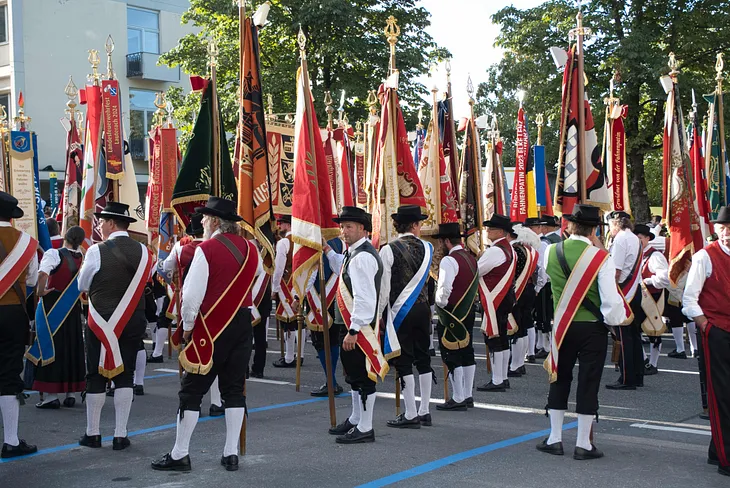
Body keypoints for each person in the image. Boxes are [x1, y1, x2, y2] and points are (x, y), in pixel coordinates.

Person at [152, 197, 261, 472]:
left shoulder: (207, 249)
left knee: (191, 392)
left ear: (214, 221)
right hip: (241, 324)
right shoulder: (252, 249)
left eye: (204, 217)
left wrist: (187, 328)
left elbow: (191, 297)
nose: (201, 221)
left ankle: (180, 454)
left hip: (211, 329)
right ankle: (231, 453)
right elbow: (258, 278)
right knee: (234, 390)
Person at [537, 204, 632, 460]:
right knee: (588, 382)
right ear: (593, 231)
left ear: (568, 226)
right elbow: (611, 302)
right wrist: (617, 321)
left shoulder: (550, 252)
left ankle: (554, 438)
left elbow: (549, 280)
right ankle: (583, 444)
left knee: (559, 378)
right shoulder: (601, 257)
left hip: (562, 325)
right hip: (591, 328)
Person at [77, 202, 153, 451]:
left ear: (111, 223)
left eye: (101, 221)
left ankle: (93, 433)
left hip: (101, 320)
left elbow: (82, 284)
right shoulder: (144, 252)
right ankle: (120, 435)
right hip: (132, 319)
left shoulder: (96, 251)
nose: (99, 225)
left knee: (95, 374)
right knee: (125, 374)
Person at [325, 206, 386, 444]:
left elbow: (364, 298)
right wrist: (328, 252)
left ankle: (365, 426)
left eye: (348, 227)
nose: (343, 231)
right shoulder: (354, 254)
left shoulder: (362, 258)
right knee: (352, 375)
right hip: (352, 325)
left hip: (359, 328)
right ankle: (355, 418)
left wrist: (353, 330)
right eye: (342, 226)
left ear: (362, 228)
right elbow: (342, 265)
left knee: (362, 378)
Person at [682, 206, 730, 477]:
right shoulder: (705, 256)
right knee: (722, 395)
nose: (727, 234)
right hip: (718, 331)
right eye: (723, 228)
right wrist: (705, 325)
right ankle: (726, 457)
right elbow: (690, 298)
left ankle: (717, 448)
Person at [162, 212, 224, 416]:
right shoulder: (215, 247)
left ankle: (192, 400)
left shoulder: (182, 247)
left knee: (193, 354)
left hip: (190, 304)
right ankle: (216, 402)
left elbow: (166, 267)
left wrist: (174, 275)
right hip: (212, 308)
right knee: (212, 356)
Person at [378, 205, 434, 428]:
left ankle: (410, 413)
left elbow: (383, 288)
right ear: (414, 225)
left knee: (404, 361)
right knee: (423, 358)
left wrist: (380, 315)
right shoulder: (428, 248)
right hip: (423, 310)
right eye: (419, 224)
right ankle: (425, 410)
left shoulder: (388, 249)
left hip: (401, 311)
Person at [28, 226, 86, 409]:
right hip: (73, 309)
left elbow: (42, 273)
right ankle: (70, 393)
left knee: (50, 345)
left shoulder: (54, 254)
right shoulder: (82, 258)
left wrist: (40, 291)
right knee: (71, 346)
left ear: (65, 237)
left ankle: (51, 395)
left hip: (52, 305)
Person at [0, 192, 39, 458]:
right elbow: (34, 281)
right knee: (8, 374)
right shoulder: (26, 243)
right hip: (13, 313)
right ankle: (11, 440)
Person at [433, 223, 478, 411]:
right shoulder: (471, 257)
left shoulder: (449, 261)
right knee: (466, 351)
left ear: (446, 241)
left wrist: (439, 305)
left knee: (451, 354)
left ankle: (458, 397)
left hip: (452, 313)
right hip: (467, 312)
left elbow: (445, 288)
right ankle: (467, 395)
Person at [476, 214, 516, 393]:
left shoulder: (495, 251)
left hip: (495, 299)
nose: (487, 231)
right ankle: (503, 377)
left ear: (500, 231)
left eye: (491, 229)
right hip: (504, 297)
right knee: (501, 337)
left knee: (494, 339)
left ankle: (498, 378)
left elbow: (476, 270)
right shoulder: (509, 249)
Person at [606, 210, 643, 390]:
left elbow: (617, 271)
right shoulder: (634, 238)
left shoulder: (620, 239)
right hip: (635, 291)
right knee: (634, 335)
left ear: (615, 224)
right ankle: (638, 374)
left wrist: (609, 293)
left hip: (624, 292)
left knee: (623, 336)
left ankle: (627, 378)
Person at [304, 237, 345, 397]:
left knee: (321, 341)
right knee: (333, 339)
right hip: (335, 295)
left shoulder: (311, 238)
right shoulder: (341, 241)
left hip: (319, 295)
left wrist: (298, 296)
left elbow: (310, 271)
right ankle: (331, 380)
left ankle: (331, 381)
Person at [633, 224, 669, 375]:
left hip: (652, 296)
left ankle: (653, 364)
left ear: (647, 238)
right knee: (635, 329)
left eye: (640, 238)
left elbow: (665, 278)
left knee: (653, 329)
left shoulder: (655, 256)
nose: (638, 241)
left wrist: (647, 280)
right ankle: (642, 360)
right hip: (637, 296)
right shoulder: (634, 254)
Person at [507, 224, 540, 378]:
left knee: (516, 328)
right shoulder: (530, 252)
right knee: (525, 326)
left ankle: (515, 365)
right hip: (529, 289)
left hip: (517, 291)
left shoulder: (515, 251)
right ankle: (520, 363)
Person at [272, 214, 303, 368]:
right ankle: (301, 354)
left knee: (288, 321)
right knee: (300, 321)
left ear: (288, 225)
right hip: (301, 283)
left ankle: (290, 357)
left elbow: (278, 268)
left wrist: (275, 287)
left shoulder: (284, 242)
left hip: (286, 284)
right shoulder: (302, 240)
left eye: (282, 224)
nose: (280, 227)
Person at [534, 216, 562, 361]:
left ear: (544, 228)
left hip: (546, 283)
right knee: (547, 315)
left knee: (544, 316)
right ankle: (543, 344)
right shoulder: (560, 239)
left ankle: (547, 346)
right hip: (556, 281)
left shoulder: (545, 242)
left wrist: (538, 286)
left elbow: (542, 268)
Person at [249, 239, 272, 379]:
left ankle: (246, 369)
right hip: (263, 298)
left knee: (247, 337)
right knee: (260, 336)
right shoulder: (269, 248)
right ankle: (258, 369)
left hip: (251, 298)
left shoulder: (246, 247)